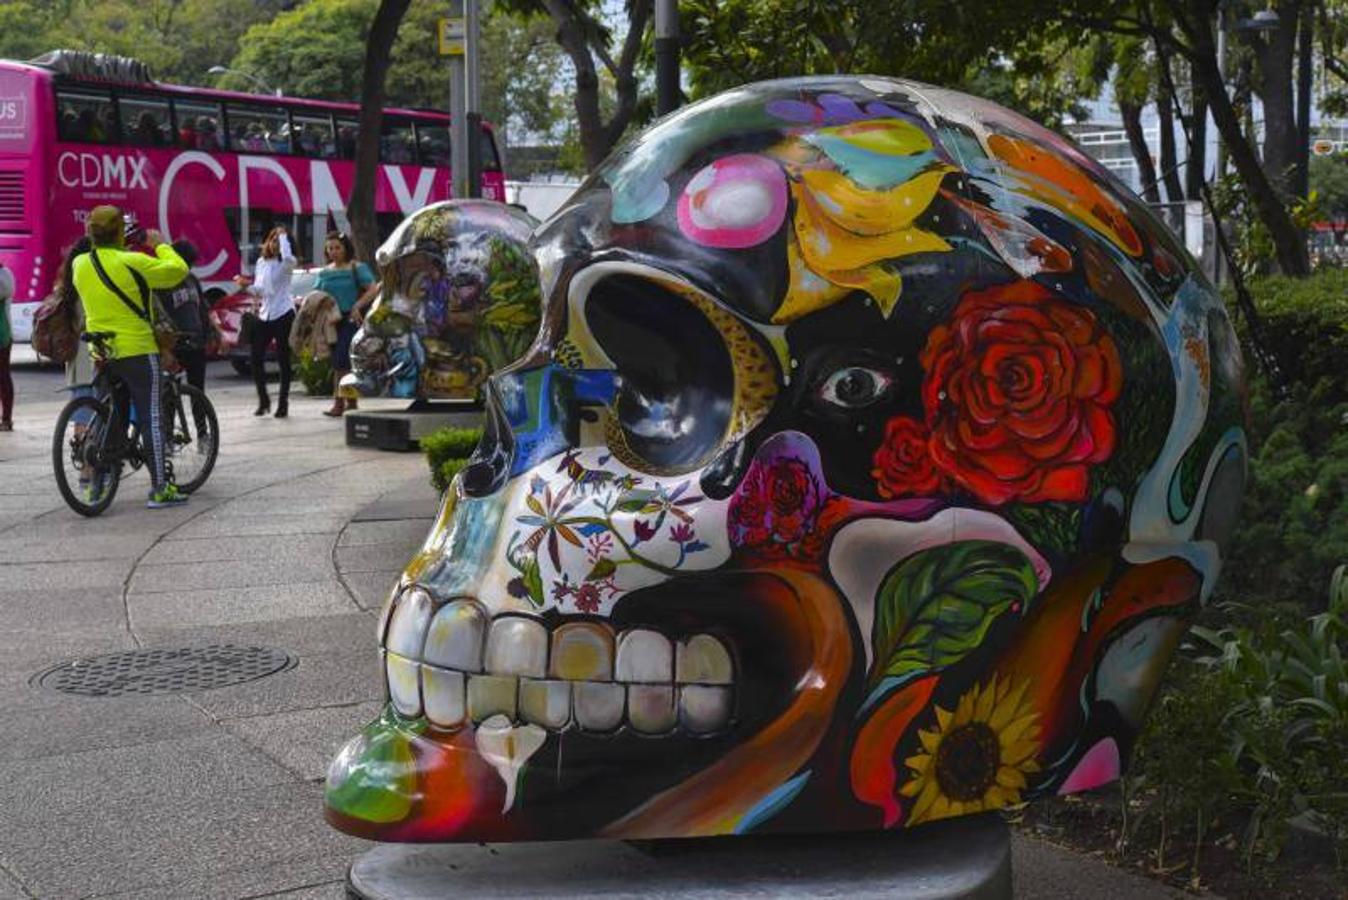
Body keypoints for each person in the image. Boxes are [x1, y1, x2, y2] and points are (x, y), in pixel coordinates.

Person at [71, 205, 190, 508]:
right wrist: (160, 243)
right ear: (120, 232)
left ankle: (95, 488)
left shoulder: (80, 264)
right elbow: (178, 270)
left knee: (111, 416)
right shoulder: (133, 261)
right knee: (150, 415)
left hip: (100, 350)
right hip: (136, 348)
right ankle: (160, 490)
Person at [313, 231, 376, 417]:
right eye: (330, 248)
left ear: (345, 248)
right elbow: (316, 294)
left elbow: (373, 289)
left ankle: (339, 403)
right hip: (331, 321)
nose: (333, 251)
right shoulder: (325, 272)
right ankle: (351, 400)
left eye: (337, 247)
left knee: (342, 361)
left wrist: (358, 305)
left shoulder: (356, 267)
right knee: (338, 362)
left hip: (351, 319)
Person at [234, 226, 295, 417]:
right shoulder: (262, 262)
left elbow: (288, 258)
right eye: (273, 239)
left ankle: (283, 403)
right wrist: (246, 287)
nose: (275, 244)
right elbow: (261, 291)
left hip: (284, 312)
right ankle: (264, 400)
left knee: (283, 358)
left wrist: (284, 236)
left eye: (279, 241)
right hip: (265, 313)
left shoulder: (286, 262)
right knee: (255, 357)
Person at [161, 240, 214, 397]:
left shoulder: (192, 280)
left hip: (196, 343)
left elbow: (202, 310)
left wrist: (211, 334)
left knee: (198, 392)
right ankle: (169, 422)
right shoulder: (162, 282)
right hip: (175, 344)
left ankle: (201, 422)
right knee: (170, 393)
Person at [0, 260, 14, 431]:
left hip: (2, 336)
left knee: (3, 376)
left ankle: (6, 418)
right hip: (4, 335)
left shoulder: (4, 277)